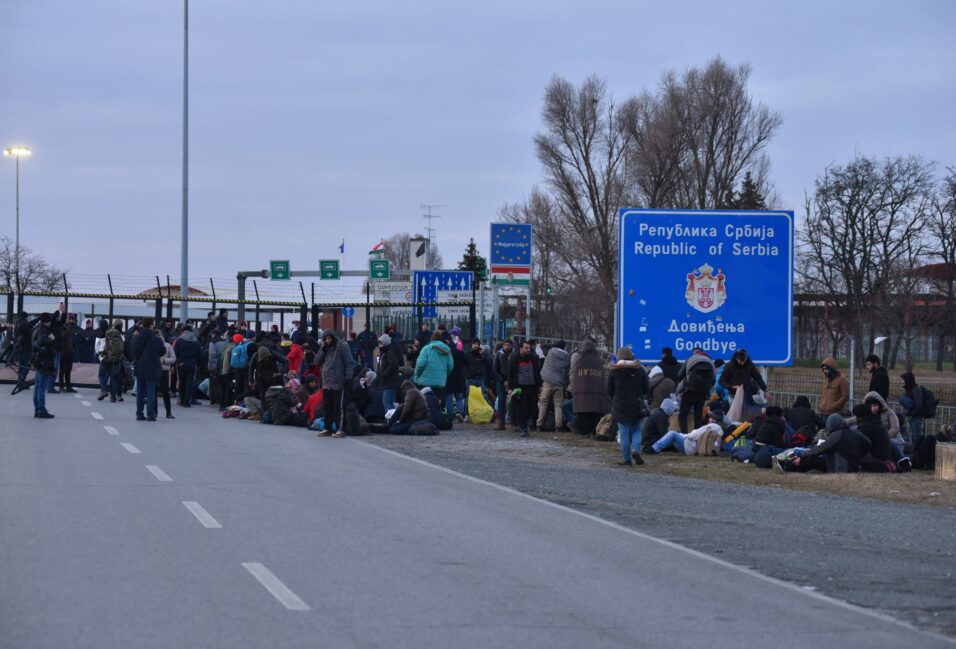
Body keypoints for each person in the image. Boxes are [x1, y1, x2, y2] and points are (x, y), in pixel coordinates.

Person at [607, 347, 649, 466]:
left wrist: (614, 400)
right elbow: (646, 388)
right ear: (632, 357)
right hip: (636, 405)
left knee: (624, 433)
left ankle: (627, 459)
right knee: (637, 429)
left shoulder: (614, 372)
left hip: (620, 406)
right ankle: (635, 450)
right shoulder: (640, 370)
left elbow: (609, 390)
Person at [792, 414, 871, 473]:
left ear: (830, 425)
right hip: (854, 466)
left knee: (811, 460)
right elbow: (868, 444)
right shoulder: (855, 432)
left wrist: (802, 456)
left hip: (840, 468)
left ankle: (793, 467)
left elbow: (818, 450)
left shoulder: (836, 435)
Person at [315, 329, 356, 436]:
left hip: (338, 382)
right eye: (325, 339)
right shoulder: (324, 348)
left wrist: (348, 377)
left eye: (329, 338)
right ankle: (327, 428)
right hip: (326, 383)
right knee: (327, 407)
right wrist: (322, 350)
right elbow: (316, 362)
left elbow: (349, 362)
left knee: (339, 407)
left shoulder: (342, 346)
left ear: (333, 337)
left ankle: (341, 429)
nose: (328, 341)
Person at [570, 337, 607, 437]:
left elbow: (575, 376)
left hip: (582, 395)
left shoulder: (580, 360)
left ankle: (584, 432)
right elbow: (602, 378)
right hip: (596, 395)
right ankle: (593, 431)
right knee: (594, 415)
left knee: (583, 415)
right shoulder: (598, 361)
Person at [131, 318, 165, 421]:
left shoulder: (137, 337)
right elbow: (162, 352)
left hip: (140, 367)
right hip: (153, 368)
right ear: (151, 325)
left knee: (140, 392)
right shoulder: (156, 339)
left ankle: (139, 413)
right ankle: (150, 414)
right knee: (151, 391)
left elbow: (133, 352)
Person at [648, 410, 724, 455]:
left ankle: (653, 449)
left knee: (672, 434)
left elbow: (694, 435)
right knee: (674, 435)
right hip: (694, 447)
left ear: (713, 419)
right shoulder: (719, 430)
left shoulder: (711, 426)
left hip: (690, 447)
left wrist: (685, 435)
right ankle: (657, 447)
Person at [675, 349, 715, 434]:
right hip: (702, 393)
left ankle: (684, 436)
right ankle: (696, 437)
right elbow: (713, 381)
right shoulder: (710, 361)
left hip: (689, 391)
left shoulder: (690, 359)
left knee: (683, 415)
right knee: (697, 417)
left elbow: (679, 375)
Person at [507, 340, 541, 437]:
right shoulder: (514, 358)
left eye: (529, 348)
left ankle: (529, 423)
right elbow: (511, 373)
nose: (528, 350)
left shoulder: (534, 358)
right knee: (522, 408)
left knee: (532, 407)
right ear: (521, 348)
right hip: (520, 388)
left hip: (532, 387)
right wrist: (511, 387)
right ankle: (523, 428)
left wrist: (539, 385)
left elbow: (537, 372)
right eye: (526, 348)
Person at [718, 348, 768, 414]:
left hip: (747, 396)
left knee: (748, 414)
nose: (742, 363)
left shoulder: (750, 366)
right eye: (740, 361)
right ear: (736, 358)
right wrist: (732, 386)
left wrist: (765, 390)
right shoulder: (729, 366)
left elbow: (758, 377)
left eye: (744, 361)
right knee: (734, 415)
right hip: (733, 396)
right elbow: (721, 381)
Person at [537, 339, 571, 432]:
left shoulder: (550, 351)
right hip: (559, 383)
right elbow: (566, 372)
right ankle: (558, 427)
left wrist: (553, 345)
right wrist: (564, 383)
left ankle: (539, 425)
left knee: (543, 403)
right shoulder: (567, 356)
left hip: (547, 382)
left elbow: (542, 346)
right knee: (558, 405)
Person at [413, 332, 453, 405]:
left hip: (424, 382)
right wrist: (443, 375)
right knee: (437, 405)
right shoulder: (448, 351)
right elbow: (450, 366)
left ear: (431, 339)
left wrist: (417, 375)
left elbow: (420, 364)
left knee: (424, 405)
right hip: (439, 384)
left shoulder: (426, 349)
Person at [31, 313, 58, 418]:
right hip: (44, 362)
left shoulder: (37, 329)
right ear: (48, 321)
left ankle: (37, 409)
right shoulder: (44, 331)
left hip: (39, 361)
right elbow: (42, 341)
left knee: (38, 386)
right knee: (41, 387)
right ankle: (41, 410)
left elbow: (35, 344)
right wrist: (51, 339)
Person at [174, 325, 201, 407]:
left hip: (181, 364)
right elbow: (199, 354)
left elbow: (175, 354)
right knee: (189, 383)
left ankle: (182, 400)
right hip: (192, 365)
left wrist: (175, 365)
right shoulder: (196, 342)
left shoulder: (179, 341)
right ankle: (187, 401)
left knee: (182, 382)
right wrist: (198, 364)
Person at [898, 372, 927, 447]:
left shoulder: (916, 389)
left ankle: (917, 452)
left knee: (916, 436)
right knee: (913, 435)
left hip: (916, 416)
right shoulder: (909, 389)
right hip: (913, 415)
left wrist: (911, 412)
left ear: (907, 380)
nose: (901, 382)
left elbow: (919, 405)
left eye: (903, 380)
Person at [102, 320, 127, 403]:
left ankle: (106, 392)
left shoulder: (108, 333)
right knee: (115, 378)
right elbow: (121, 347)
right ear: (120, 326)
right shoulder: (119, 334)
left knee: (107, 376)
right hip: (117, 359)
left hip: (108, 357)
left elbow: (106, 345)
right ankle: (114, 396)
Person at [376, 333, 403, 411]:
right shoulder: (385, 353)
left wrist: (384, 374)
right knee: (391, 402)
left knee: (386, 402)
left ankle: (390, 420)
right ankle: (392, 420)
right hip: (390, 381)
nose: (379, 345)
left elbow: (393, 365)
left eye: (380, 343)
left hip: (389, 382)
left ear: (385, 343)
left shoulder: (389, 352)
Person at [492, 339, 514, 430]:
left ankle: (514, 423)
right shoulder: (499, 354)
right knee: (501, 401)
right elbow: (495, 369)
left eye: (508, 345)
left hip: (512, 382)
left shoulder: (514, 355)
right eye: (505, 345)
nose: (506, 347)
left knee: (513, 401)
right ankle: (501, 423)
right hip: (501, 382)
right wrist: (502, 380)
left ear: (511, 346)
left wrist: (510, 381)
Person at [158, 327, 176, 418]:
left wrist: (164, 360)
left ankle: (168, 412)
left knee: (165, 392)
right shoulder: (152, 345)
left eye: (160, 335)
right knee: (153, 392)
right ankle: (154, 412)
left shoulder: (168, 346)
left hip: (164, 371)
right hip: (155, 370)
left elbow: (173, 359)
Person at [57, 315, 78, 392]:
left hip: (70, 351)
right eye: (68, 318)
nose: (69, 320)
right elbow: (62, 336)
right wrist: (69, 327)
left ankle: (68, 386)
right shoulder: (60, 327)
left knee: (68, 370)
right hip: (63, 351)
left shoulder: (67, 326)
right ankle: (61, 386)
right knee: (62, 369)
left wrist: (71, 326)